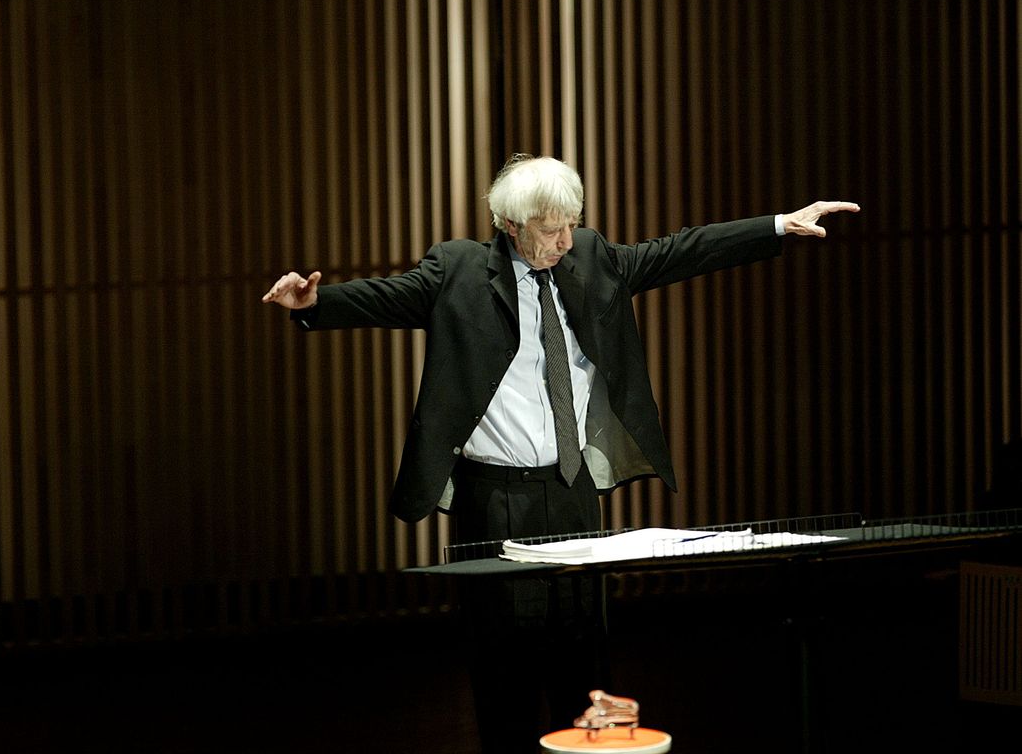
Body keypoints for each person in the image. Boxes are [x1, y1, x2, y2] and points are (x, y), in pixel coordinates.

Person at [262, 154, 859, 752]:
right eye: (551, 230)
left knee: (583, 661)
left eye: (572, 224)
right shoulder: (459, 271)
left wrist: (777, 225)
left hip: (572, 490)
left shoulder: (591, 258)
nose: (565, 241)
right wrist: (314, 304)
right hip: (493, 500)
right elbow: (387, 297)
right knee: (505, 671)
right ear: (511, 224)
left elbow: (680, 251)